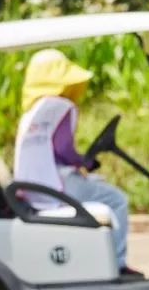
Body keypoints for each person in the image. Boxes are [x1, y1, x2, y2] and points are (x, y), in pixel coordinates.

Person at [14, 49, 141, 278]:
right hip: (57, 185)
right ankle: (118, 264)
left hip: (34, 187)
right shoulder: (61, 106)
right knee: (117, 200)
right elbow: (63, 148)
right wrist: (83, 162)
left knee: (94, 187)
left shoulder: (32, 112)